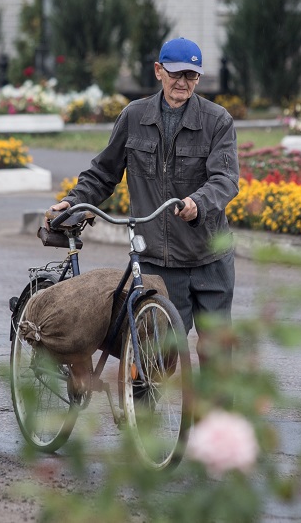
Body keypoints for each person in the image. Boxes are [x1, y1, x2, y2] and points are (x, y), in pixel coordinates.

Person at [49, 37, 240, 367]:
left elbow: (225, 180)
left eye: (191, 76)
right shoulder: (134, 116)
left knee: (217, 353)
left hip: (210, 257)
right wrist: (74, 201)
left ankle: (217, 418)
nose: (182, 82)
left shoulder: (217, 120)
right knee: (155, 355)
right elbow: (103, 173)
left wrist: (198, 202)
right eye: (175, 73)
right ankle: (140, 415)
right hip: (157, 263)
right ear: (158, 71)